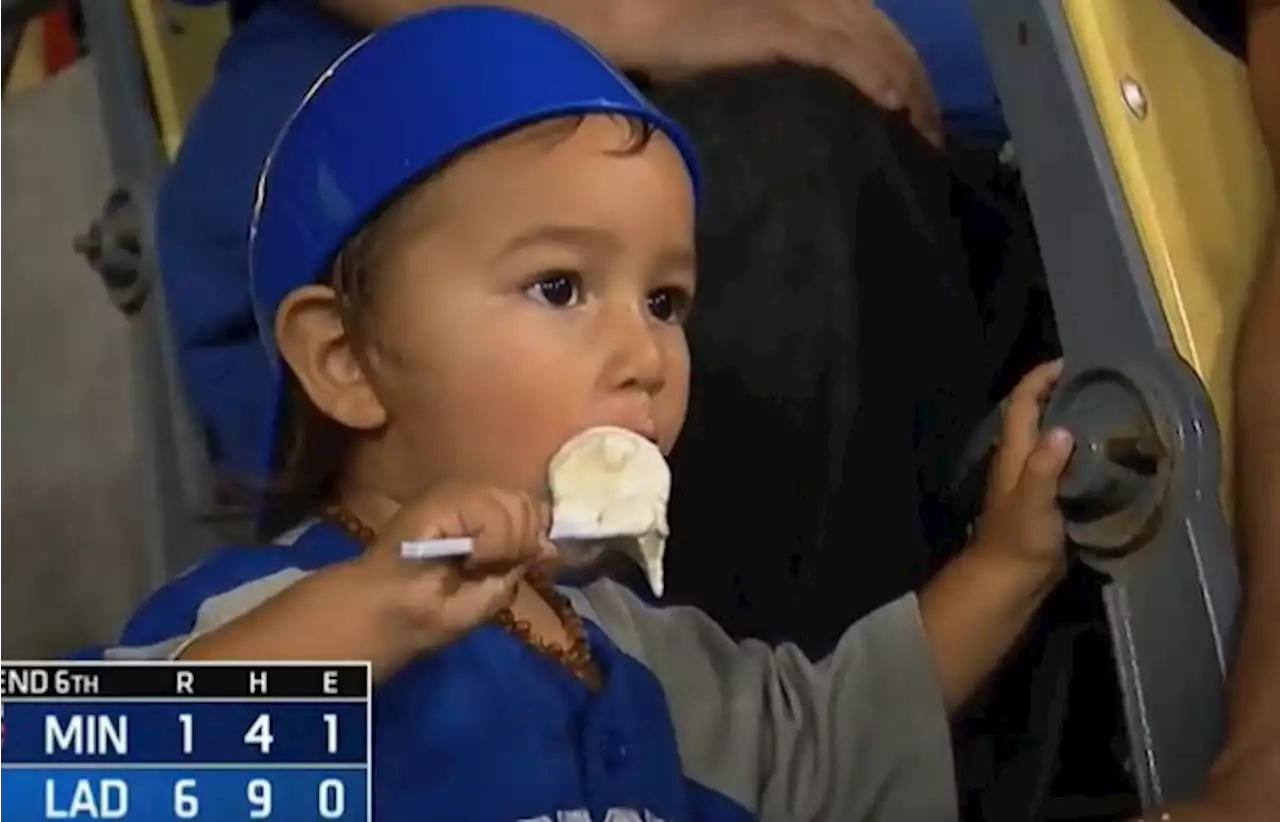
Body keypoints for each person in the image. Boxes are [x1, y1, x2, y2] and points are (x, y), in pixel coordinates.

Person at [109, 8, 1079, 820]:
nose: (645, 355)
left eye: (665, 302)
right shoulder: (257, 616)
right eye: (559, 286)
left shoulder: (651, 655)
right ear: (346, 360)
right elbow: (61, 773)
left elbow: (823, 744)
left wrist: (1006, 565)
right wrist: (362, 621)